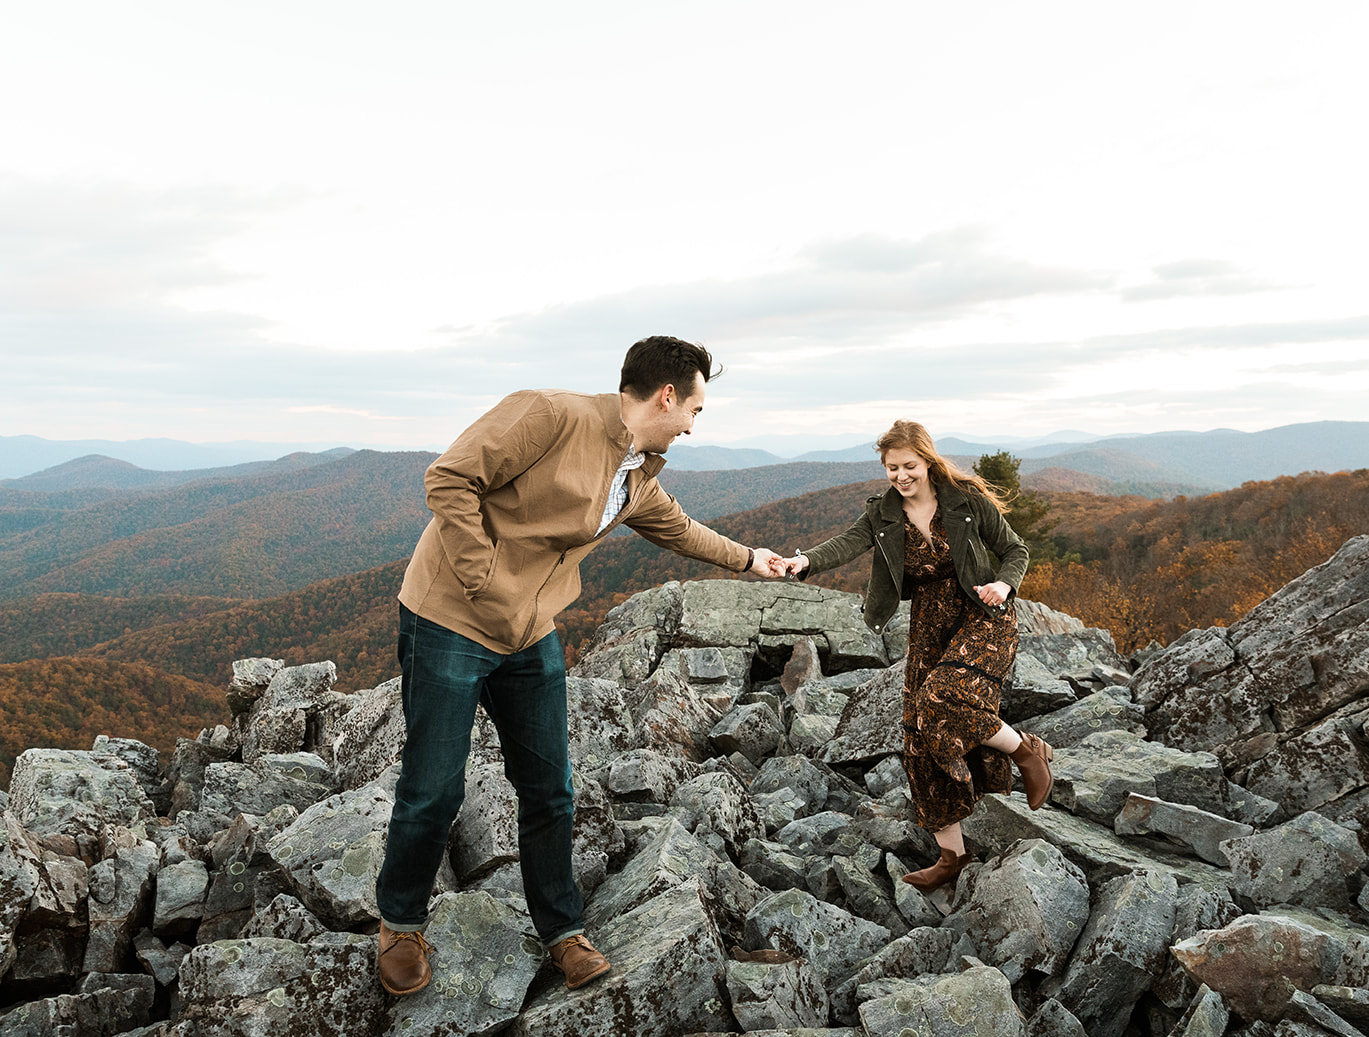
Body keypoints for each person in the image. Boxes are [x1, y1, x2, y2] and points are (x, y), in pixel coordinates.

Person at [374, 336, 785, 996]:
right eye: (696, 409)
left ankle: (561, 929)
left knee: (551, 786)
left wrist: (747, 558)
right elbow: (448, 477)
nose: (692, 423)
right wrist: (482, 577)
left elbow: (679, 528)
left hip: (529, 632)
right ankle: (399, 921)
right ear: (667, 395)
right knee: (434, 787)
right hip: (450, 616)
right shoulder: (548, 413)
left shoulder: (634, 475)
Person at [779, 419, 1053, 890]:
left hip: (983, 612)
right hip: (930, 623)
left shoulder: (967, 502)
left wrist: (1004, 584)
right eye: (891, 468)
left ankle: (1026, 753)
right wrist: (803, 561)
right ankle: (952, 856)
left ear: (927, 460)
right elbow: (845, 544)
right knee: (919, 730)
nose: (901, 476)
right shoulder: (883, 513)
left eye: (909, 466)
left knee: (946, 695)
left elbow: (1015, 549)